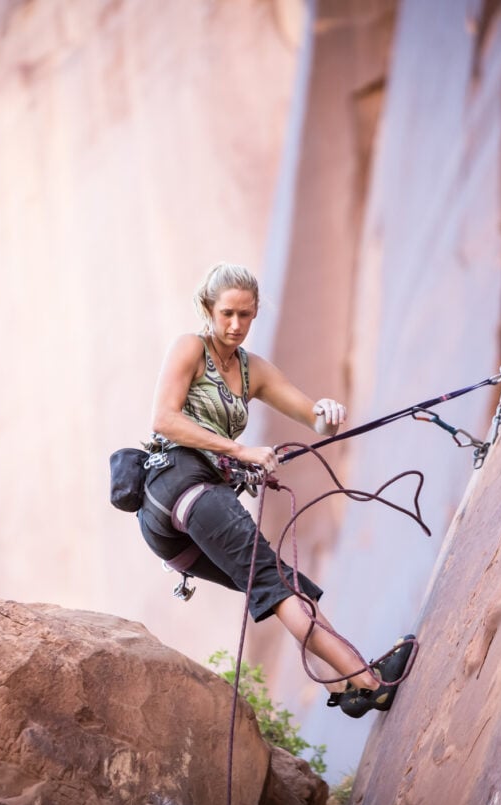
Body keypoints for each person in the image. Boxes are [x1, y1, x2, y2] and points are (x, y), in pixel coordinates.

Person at [137, 262, 414, 718]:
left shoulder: (252, 371)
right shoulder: (190, 347)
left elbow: (315, 420)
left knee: (279, 583)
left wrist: (326, 410)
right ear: (207, 309)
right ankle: (371, 684)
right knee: (275, 585)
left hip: (184, 523)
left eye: (246, 315)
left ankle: (349, 685)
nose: (235, 325)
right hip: (177, 486)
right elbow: (163, 419)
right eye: (226, 313)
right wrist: (239, 451)